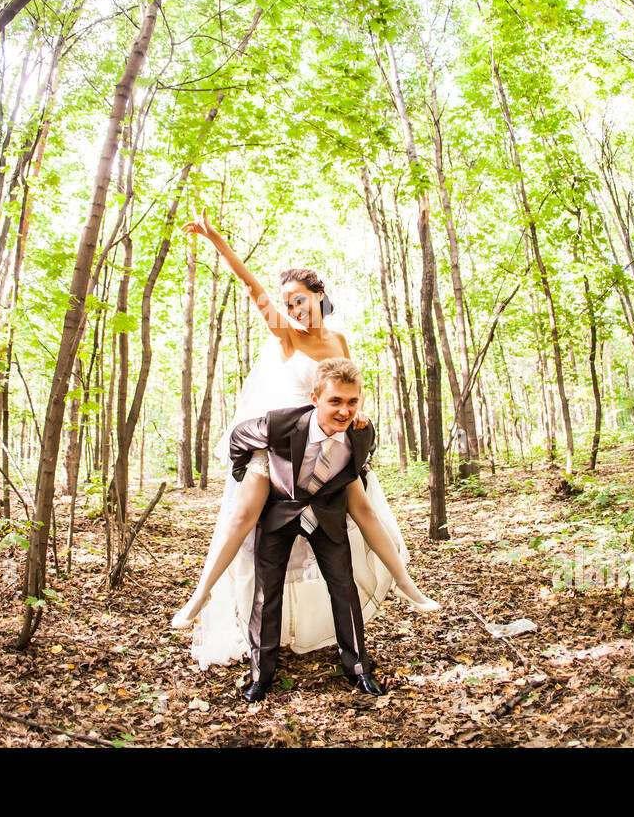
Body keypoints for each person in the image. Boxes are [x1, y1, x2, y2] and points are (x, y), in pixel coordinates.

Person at [172, 207, 438, 668]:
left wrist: (357, 416)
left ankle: (407, 585)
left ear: (320, 295)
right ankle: (200, 595)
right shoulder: (285, 337)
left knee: (364, 509)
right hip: (282, 439)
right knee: (243, 516)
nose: (294, 309)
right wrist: (215, 237)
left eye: (300, 299)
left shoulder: (337, 340)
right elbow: (252, 287)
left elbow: (348, 384)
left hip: (330, 439)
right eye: (287, 302)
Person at [232, 359, 385, 700]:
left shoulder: (363, 430)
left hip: (326, 515)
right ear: (315, 398)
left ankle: (358, 668)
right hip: (279, 513)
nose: (345, 410)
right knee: (266, 594)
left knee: (344, 589)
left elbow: (359, 461)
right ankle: (261, 675)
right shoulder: (279, 423)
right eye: (335, 401)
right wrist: (250, 475)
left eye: (351, 402)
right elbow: (238, 438)